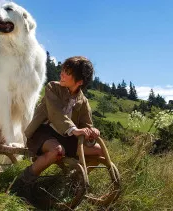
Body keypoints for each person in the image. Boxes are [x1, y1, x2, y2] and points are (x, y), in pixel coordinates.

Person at [11, 56, 104, 200]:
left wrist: (91, 131)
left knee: (99, 150)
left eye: (67, 72)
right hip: (43, 132)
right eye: (63, 70)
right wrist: (74, 130)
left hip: (66, 137)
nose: (61, 74)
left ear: (79, 82)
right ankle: (22, 183)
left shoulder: (83, 101)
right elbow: (56, 114)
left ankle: (73, 181)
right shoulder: (52, 88)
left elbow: (86, 123)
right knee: (57, 151)